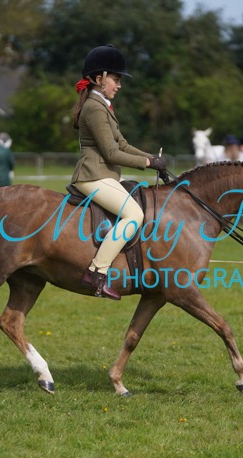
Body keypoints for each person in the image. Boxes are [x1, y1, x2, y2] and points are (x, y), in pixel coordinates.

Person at [71, 44, 167, 300]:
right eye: (116, 79)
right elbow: (112, 153)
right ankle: (96, 272)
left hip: (105, 174)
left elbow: (122, 144)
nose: (119, 85)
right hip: (93, 175)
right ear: (99, 78)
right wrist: (147, 164)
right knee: (134, 215)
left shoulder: (103, 105)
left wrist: (152, 159)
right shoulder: (94, 107)